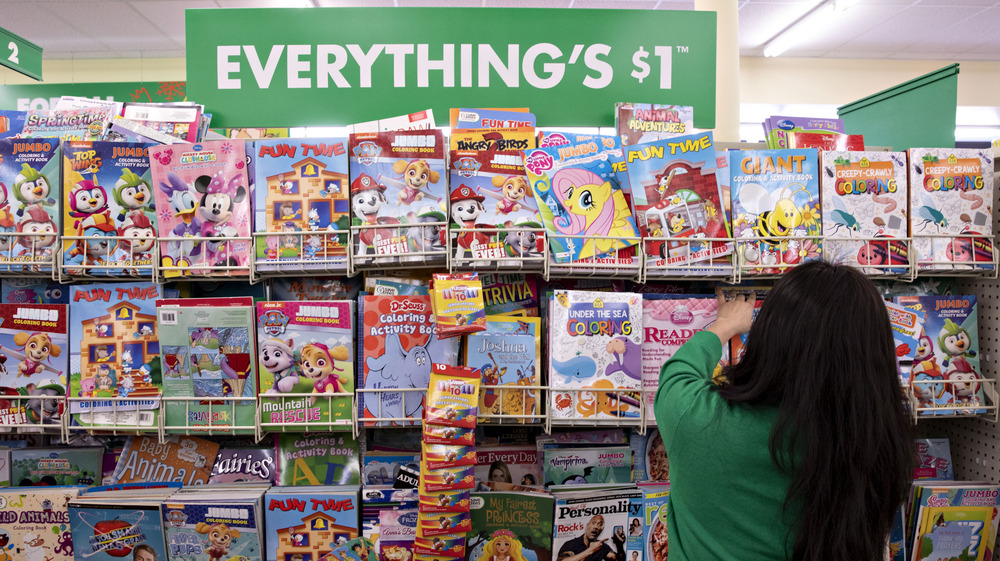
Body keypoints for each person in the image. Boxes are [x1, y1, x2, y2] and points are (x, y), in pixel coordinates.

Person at [655, 262, 914, 561]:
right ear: (875, 358)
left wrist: (726, 324)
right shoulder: (878, 442)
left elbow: (676, 374)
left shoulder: (697, 417)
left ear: (769, 337)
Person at [557, 514, 625, 561]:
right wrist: (591, 550)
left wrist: (619, 545)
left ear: (602, 529)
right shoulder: (571, 544)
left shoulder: (602, 547)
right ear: (587, 526)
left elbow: (618, 559)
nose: (595, 527)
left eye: (599, 524)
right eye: (593, 523)